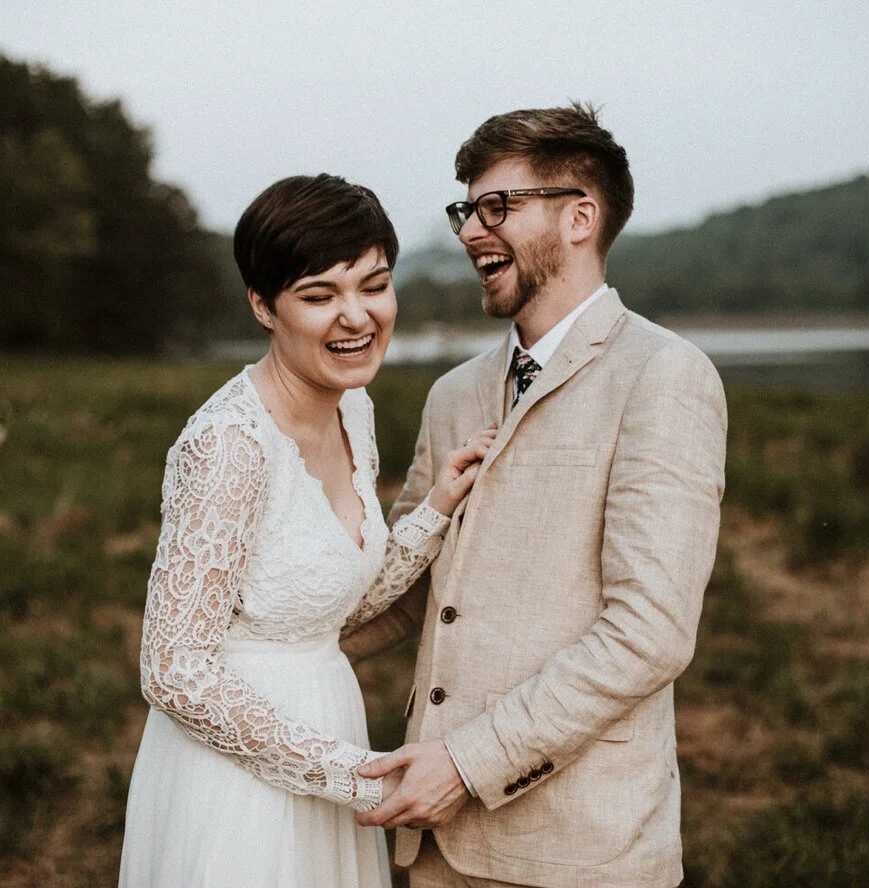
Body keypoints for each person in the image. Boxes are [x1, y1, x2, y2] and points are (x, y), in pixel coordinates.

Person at [345, 104, 728, 888]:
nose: (469, 232)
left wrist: (467, 763)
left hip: (580, 849)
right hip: (433, 846)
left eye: (497, 207)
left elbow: (650, 632)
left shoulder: (663, 374)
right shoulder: (453, 394)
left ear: (580, 217)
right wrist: (273, 651)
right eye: (465, 211)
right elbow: (409, 592)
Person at [117, 174, 496, 888]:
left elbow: (329, 605)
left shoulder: (354, 408)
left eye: (373, 286)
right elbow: (172, 670)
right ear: (264, 306)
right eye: (319, 296)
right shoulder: (228, 446)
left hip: (328, 727)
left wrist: (436, 510)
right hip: (236, 778)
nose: (356, 317)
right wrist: (355, 777)